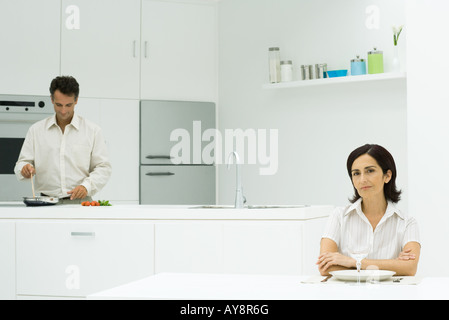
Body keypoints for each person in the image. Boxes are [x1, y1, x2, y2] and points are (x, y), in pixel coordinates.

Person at [317, 144, 421, 276]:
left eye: (370, 171)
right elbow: (325, 268)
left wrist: (353, 262)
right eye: (356, 173)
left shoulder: (407, 223)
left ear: (387, 176)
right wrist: (392, 265)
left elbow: (410, 268)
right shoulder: (338, 216)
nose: (362, 180)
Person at [14, 76, 112, 204]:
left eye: (68, 105)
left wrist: (86, 186)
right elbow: (21, 163)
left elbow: (103, 168)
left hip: (81, 203)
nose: (63, 111)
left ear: (76, 100)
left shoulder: (92, 131)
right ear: (51, 99)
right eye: (58, 105)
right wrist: (24, 169)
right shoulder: (36, 130)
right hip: (46, 203)